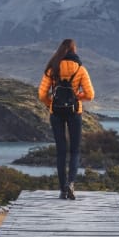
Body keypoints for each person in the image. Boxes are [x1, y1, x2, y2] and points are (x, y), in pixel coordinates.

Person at [38, 39, 95, 200]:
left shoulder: (52, 68)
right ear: (74, 50)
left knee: (61, 151)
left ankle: (63, 189)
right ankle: (71, 183)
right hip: (74, 112)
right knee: (75, 150)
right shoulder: (80, 69)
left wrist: (52, 104)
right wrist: (77, 97)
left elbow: (42, 94)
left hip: (56, 113)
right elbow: (90, 95)